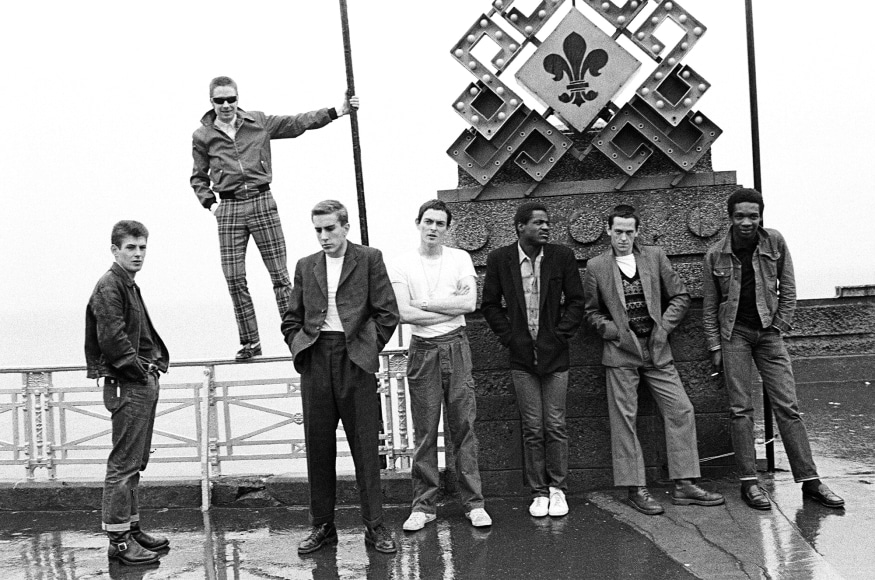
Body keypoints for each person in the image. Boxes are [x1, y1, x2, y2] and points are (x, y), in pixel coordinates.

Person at [191, 76, 359, 361]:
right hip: (229, 207)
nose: (227, 105)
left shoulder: (257, 122)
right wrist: (212, 205)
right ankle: (250, 342)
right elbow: (198, 176)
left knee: (280, 276)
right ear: (211, 102)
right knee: (234, 279)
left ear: (237, 98)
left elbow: (297, 123)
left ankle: (295, 336)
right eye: (220, 100)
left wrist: (337, 111)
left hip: (261, 200)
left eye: (231, 99)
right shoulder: (202, 136)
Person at [703, 188, 845, 510]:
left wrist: (779, 326)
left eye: (753, 216)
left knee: (788, 407)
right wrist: (715, 345)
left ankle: (810, 482)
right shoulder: (715, 255)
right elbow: (710, 307)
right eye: (740, 216)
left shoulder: (774, 242)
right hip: (733, 335)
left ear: (760, 216)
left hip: (769, 333)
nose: (746, 222)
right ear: (730, 218)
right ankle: (749, 483)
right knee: (740, 409)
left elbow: (789, 287)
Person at [584, 205, 724, 515]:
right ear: (608, 231)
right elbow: (591, 312)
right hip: (621, 354)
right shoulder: (596, 266)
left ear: (637, 232)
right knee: (625, 421)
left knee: (681, 409)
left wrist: (663, 329)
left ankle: (685, 485)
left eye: (629, 232)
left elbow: (681, 296)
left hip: (657, 350)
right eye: (618, 231)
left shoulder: (654, 256)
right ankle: (636, 488)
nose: (623, 237)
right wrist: (614, 332)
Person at [281, 200, 399, 554]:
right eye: (318, 229)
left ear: (345, 227)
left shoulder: (369, 258)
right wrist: (299, 346)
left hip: (355, 360)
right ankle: (322, 527)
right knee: (318, 447)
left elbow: (387, 313)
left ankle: (375, 527)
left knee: (365, 446)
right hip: (316, 359)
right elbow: (291, 317)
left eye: (330, 228)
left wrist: (366, 348)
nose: (324, 236)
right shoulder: (306, 266)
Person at [390, 199, 492, 531]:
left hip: (456, 345)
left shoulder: (459, 258)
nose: (433, 228)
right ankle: (423, 506)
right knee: (425, 430)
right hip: (422, 349)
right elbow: (404, 313)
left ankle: (473, 503)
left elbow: (470, 303)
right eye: (428, 221)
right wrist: (450, 307)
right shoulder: (402, 263)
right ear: (418, 222)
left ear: (448, 228)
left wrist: (428, 303)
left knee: (463, 426)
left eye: (440, 223)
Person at [481, 201, 585, 517]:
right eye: (538, 222)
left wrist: (558, 336)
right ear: (520, 227)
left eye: (547, 223)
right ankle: (538, 492)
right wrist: (511, 337)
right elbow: (490, 305)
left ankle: (557, 490)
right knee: (532, 427)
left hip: (556, 356)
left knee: (554, 424)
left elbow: (577, 301)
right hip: (521, 357)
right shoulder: (500, 259)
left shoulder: (561, 257)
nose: (545, 227)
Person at [85, 221, 170, 565]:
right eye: (131, 247)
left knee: (135, 463)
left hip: (138, 382)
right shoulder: (110, 286)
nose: (137, 253)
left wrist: (153, 367)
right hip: (128, 384)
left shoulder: (128, 285)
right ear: (115, 250)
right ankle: (119, 541)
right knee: (122, 465)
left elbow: (137, 335)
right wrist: (140, 372)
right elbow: (113, 341)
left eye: (142, 247)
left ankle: (132, 529)